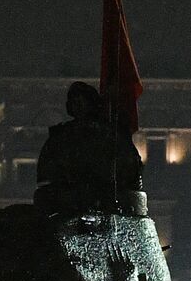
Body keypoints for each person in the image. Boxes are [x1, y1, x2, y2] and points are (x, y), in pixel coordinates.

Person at [35, 81, 142, 215]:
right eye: (74, 101)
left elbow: (132, 170)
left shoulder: (110, 134)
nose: (78, 105)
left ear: (91, 104)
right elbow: (45, 173)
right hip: (68, 196)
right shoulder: (60, 136)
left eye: (82, 101)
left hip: (104, 195)